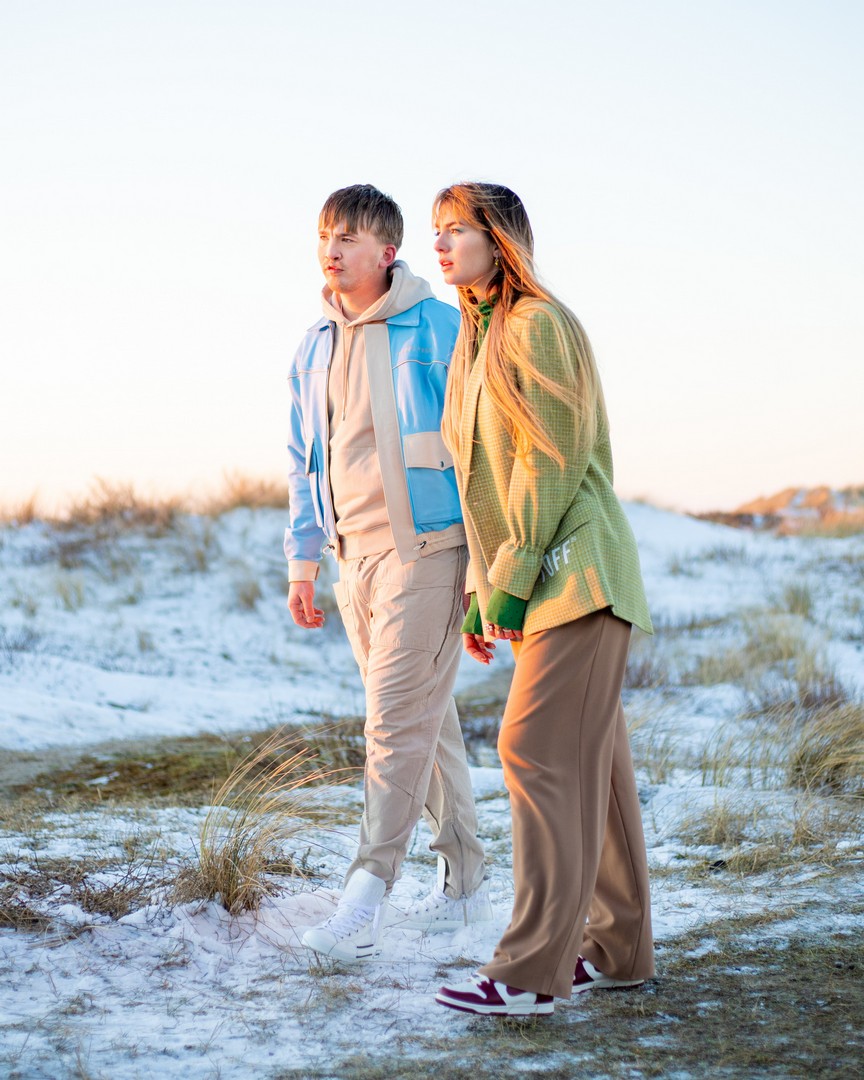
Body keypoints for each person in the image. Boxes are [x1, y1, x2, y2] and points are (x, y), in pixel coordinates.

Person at [430, 182, 655, 1016]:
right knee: (595, 774)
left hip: (580, 569)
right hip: (540, 576)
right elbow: (480, 482)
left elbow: (549, 462)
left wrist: (514, 582)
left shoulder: (539, 326)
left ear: (501, 238)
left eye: (458, 229)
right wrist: (485, 592)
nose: (443, 245)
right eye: (437, 232)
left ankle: (530, 972)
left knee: (532, 749)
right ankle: (620, 950)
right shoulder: (474, 341)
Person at [284, 184, 490, 963]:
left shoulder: (440, 326)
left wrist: (482, 571)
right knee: (425, 726)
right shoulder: (313, 345)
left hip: (430, 554)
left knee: (391, 727)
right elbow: (304, 463)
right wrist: (305, 561)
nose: (331, 251)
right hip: (351, 563)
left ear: (386, 252)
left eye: (348, 238)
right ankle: (467, 887)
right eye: (324, 237)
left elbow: (478, 451)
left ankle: (364, 896)